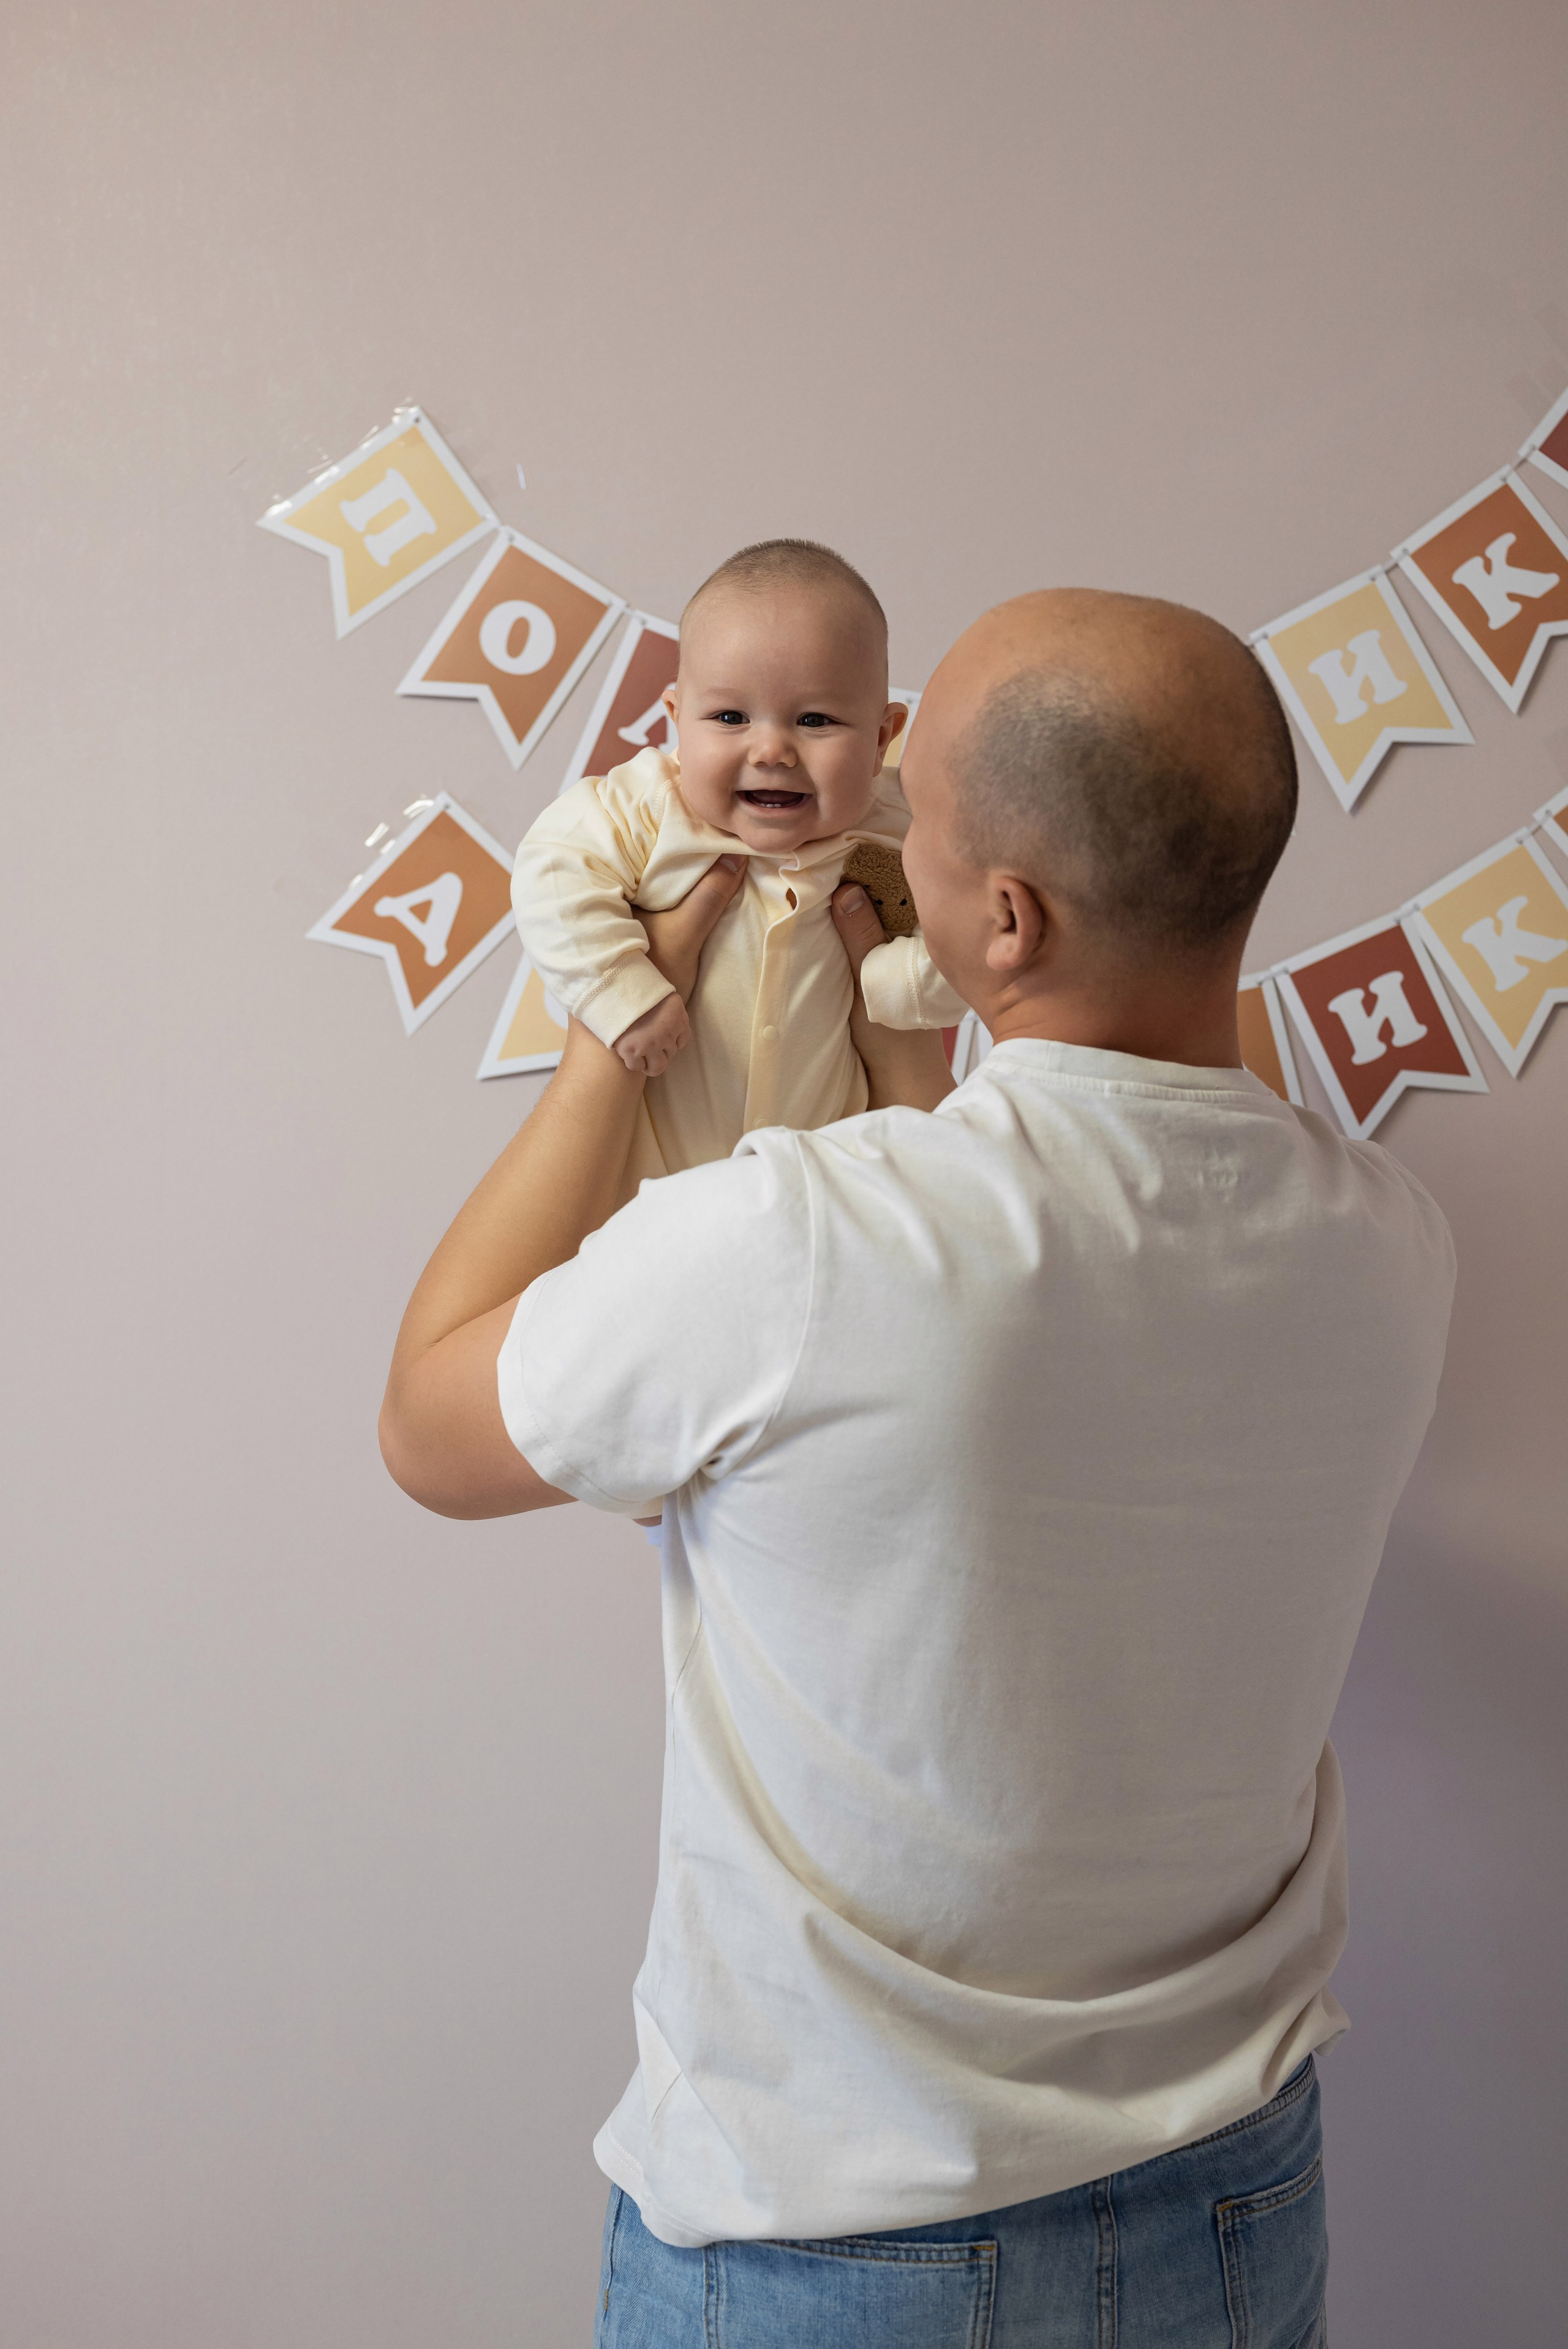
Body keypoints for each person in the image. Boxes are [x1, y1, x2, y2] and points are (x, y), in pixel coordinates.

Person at [379, 589, 1455, 2347]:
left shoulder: (799, 1248)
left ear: (1003, 916)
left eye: (916, 816)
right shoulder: (1391, 1240)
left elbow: (431, 1424)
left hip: (842, 2231)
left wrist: (608, 1020)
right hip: (1241, 2194)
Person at [511, 538, 963, 1186]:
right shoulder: (644, 810)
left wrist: (903, 983)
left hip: (819, 1186)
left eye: (814, 719)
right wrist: (621, 994)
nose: (772, 748)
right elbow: (550, 875)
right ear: (675, 719)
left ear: (882, 739)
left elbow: (964, 934)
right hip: (649, 1189)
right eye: (729, 716)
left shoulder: (900, 833)